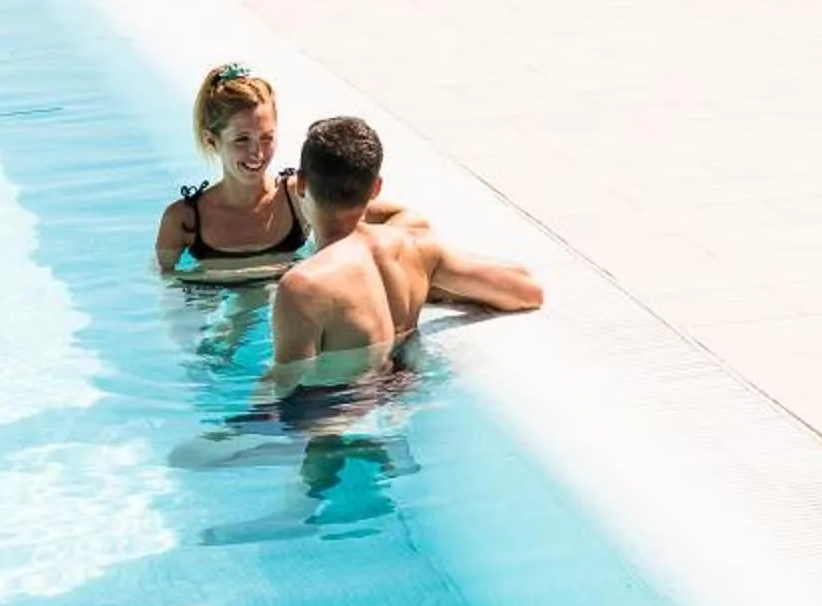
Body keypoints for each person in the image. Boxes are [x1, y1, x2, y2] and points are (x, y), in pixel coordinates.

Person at [266, 115, 542, 397]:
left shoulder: (303, 286)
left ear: (300, 184)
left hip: (339, 424)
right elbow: (528, 290)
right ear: (375, 188)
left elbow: (284, 391)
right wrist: (437, 287)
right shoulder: (417, 249)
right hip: (404, 396)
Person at [156, 64, 412, 284]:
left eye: (267, 137)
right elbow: (165, 287)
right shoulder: (183, 220)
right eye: (242, 140)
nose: (257, 153)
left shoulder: (299, 196)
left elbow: (399, 217)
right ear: (211, 141)